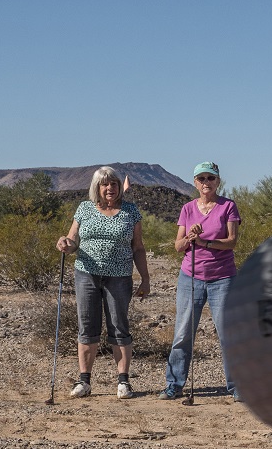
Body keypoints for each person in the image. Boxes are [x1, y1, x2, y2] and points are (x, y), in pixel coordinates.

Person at [56, 166, 150, 399]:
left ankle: (123, 382)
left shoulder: (130, 211)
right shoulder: (85, 209)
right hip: (86, 273)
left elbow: (137, 247)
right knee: (87, 325)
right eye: (105, 184)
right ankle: (84, 381)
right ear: (97, 187)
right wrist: (66, 244)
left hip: (119, 276)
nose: (110, 188)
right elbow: (73, 239)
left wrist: (145, 278)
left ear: (119, 187)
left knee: (119, 325)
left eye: (114, 184)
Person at [161, 161, 242, 401]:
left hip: (223, 277)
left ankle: (237, 385)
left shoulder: (228, 206)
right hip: (191, 277)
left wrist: (205, 242)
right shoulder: (187, 209)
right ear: (195, 182)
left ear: (218, 181)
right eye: (201, 179)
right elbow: (178, 246)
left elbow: (232, 241)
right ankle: (174, 384)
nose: (206, 183)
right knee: (183, 333)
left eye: (210, 178)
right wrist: (189, 237)